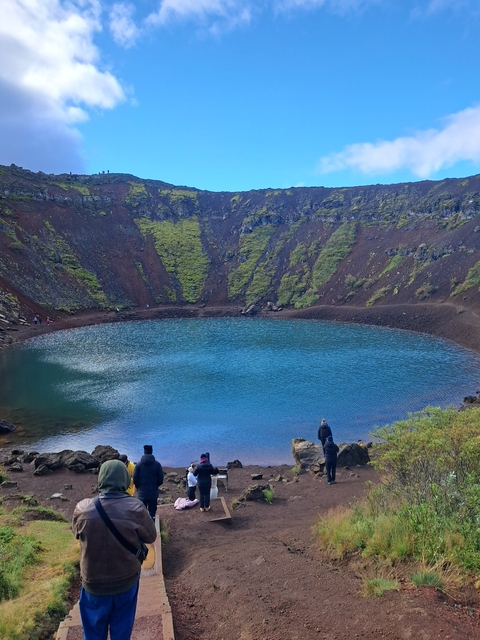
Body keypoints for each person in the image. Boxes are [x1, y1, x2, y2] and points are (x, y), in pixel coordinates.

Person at [72, 459, 157, 640]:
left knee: (93, 634)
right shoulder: (136, 508)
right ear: (126, 480)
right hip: (126, 581)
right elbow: (151, 537)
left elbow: (76, 534)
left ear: (101, 479)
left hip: (93, 584)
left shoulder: (82, 508)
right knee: (121, 632)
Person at [133, 445, 164, 519]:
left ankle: (143, 529)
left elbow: (135, 479)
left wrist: (139, 487)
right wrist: (156, 485)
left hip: (142, 492)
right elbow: (161, 478)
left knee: (142, 512)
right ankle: (152, 527)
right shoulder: (157, 464)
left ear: (144, 452)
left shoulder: (138, 465)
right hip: (153, 492)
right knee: (152, 512)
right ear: (152, 451)